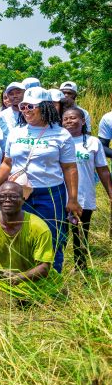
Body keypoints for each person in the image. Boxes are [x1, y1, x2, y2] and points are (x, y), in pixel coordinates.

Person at [0, 87, 79, 273]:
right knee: (19, 235)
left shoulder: (61, 134)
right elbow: (7, 163)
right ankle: (23, 279)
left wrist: (73, 199)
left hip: (51, 193)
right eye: (22, 107)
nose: (25, 110)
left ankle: (52, 279)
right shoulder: (16, 133)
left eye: (30, 106)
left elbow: (69, 168)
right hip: (20, 194)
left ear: (45, 107)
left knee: (52, 236)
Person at [62, 107, 112, 269]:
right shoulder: (58, 141)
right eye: (66, 119)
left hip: (84, 195)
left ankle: (80, 268)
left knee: (81, 233)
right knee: (60, 234)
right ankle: (58, 267)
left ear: (83, 121)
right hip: (61, 195)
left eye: (73, 118)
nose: (69, 121)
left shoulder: (93, 142)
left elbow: (103, 170)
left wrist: (110, 193)